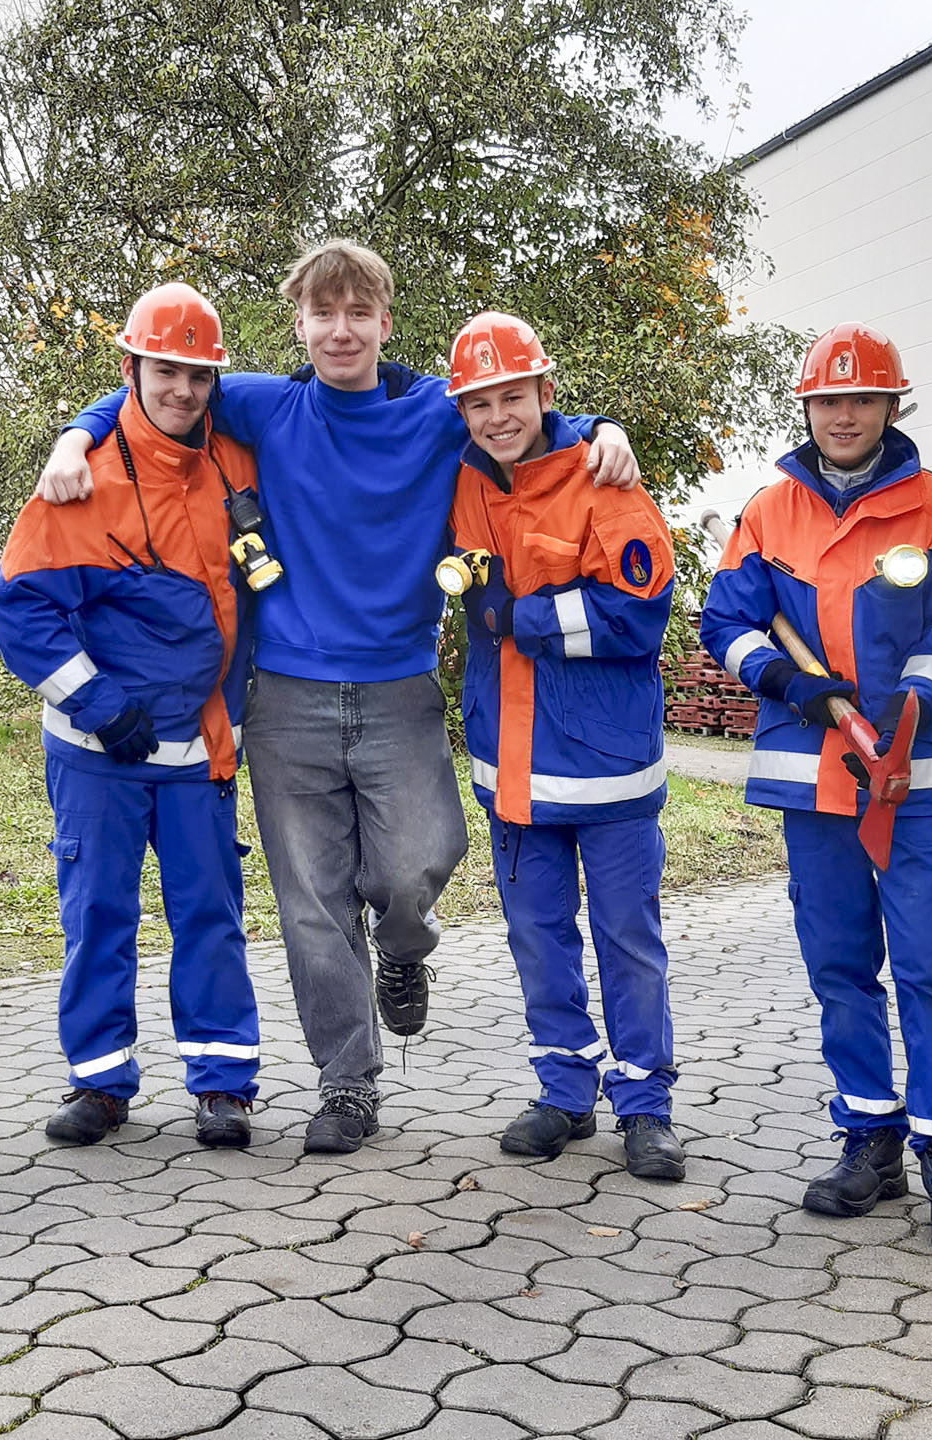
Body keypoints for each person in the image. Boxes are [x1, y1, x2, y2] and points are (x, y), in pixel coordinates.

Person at [36, 242, 642, 1154]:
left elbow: (520, 412)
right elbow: (159, 394)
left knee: (414, 868)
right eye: (324, 314)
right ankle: (348, 1087)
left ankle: (404, 949)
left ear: (386, 324)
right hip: (287, 699)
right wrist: (74, 434)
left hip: (399, 689)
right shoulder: (264, 407)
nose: (341, 330)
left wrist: (600, 427)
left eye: (360, 312)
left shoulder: (437, 418)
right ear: (300, 327)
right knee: (311, 905)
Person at [699, 321, 932, 1253]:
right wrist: (791, 682)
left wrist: (911, 700)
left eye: (861, 398)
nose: (843, 415)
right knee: (839, 968)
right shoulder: (768, 510)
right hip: (813, 780)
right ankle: (868, 1135)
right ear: (807, 408)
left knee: (926, 968)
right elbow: (727, 620)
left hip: (910, 779)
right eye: (827, 400)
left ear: (891, 406)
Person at [0, 283, 262, 1149]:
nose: (182, 390)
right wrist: (101, 706)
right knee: (99, 915)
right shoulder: (82, 478)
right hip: (96, 753)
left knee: (209, 919)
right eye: (165, 371)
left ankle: (223, 1088)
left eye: (198, 375)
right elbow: (20, 609)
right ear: (132, 369)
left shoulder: (236, 463)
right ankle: (99, 1085)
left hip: (199, 749)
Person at [443, 312, 683, 1179]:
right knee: (537, 935)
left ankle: (647, 1105)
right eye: (480, 403)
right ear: (461, 410)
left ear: (547, 392)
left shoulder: (603, 477)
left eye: (513, 396)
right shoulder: (464, 477)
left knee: (626, 936)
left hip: (607, 764)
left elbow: (638, 614)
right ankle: (564, 1091)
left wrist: (525, 618)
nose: (498, 416)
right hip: (509, 763)